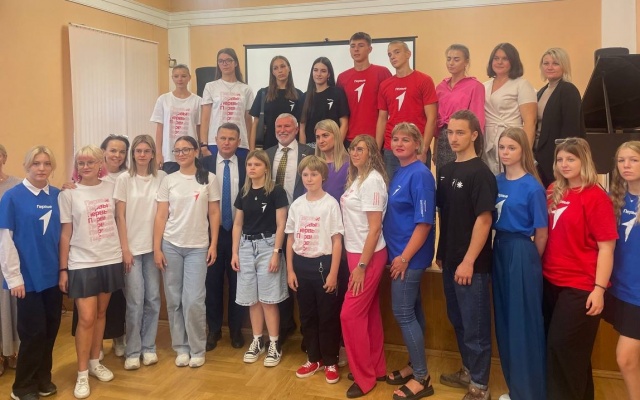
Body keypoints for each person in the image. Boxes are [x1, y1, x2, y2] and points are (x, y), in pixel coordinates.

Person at [542, 137, 617, 400]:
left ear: (583, 160)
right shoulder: (553, 190)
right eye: (560, 159)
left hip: (581, 287)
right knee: (573, 355)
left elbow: (607, 248)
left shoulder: (596, 197)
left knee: (561, 348)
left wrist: (599, 289)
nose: (564, 164)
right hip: (551, 281)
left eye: (570, 159)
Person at [436, 110, 496, 400]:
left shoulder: (481, 173)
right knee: (458, 320)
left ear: (474, 135)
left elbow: (484, 220)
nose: (454, 138)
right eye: (450, 132)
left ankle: (480, 386)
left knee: (475, 327)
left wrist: (469, 261)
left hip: (472, 265)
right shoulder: (446, 170)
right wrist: (441, 253)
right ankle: (468, 371)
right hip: (449, 261)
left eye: (460, 132)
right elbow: (445, 215)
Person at [59, 145, 124, 399]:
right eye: (81, 163)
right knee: (85, 318)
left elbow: (120, 220)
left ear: (100, 164)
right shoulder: (69, 193)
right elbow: (66, 234)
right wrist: (63, 269)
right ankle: (82, 373)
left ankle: (96, 362)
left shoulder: (112, 187)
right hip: (82, 262)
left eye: (90, 162)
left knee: (100, 314)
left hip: (110, 258)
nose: (85, 167)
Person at [0, 146, 62, 400]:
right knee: (33, 333)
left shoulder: (58, 195)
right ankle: (22, 387)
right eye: (36, 163)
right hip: (27, 279)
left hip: (53, 277)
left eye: (46, 163)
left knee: (50, 330)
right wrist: (14, 277)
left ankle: (43, 379)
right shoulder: (12, 197)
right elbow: (5, 240)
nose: (41, 168)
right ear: (27, 165)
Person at [153, 135, 220, 369]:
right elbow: (161, 215)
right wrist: (157, 248)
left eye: (186, 149)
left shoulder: (209, 179)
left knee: (193, 301)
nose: (181, 154)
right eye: (177, 150)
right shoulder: (168, 180)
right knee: (174, 300)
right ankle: (181, 347)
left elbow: (214, 213)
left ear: (195, 151)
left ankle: (197, 348)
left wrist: (213, 244)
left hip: (198, 248)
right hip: (171, 245)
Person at [492, 127, 547, 400]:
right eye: (502, 147)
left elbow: (542, 233)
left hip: (522, 251)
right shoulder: (496, 181)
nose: (505, 152)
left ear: (523, 150)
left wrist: (529, 262)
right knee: (504, 321)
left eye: (511, 147)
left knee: (522, 323)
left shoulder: (532, 187)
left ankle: (530, 393)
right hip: (499, 248)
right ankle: (515, 390)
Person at [382, 123, 436, 400]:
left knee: (403, 313)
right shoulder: (400, 171)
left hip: (409, 258)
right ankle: (415, 366)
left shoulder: (421, 175)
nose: (399, 143)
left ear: (418, 144)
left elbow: (424, 223)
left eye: (406, 139)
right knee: (412, 310)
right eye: (395, 139)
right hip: (398, 254)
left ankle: (422, 378)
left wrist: (404, 258)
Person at [285, 155, 344, 384]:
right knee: (307, 315)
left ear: (323, 177)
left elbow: (337, 241)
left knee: (327, 316)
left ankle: (330, 360)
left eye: (314, 174)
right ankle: (313, 358)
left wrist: (333, 273)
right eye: (305, 174)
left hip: (324, 266)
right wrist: (290, 270)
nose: (309, 179)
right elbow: (290, 239)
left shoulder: (330, 204)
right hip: (301, 265)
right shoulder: (297, 204)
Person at [340, 134, 388, 399]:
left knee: (350, 315)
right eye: (352, 148)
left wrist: (361, 265)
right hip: (355, 252)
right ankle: (376, 368)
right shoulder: (358, 178)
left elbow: (375, 228)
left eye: (360, 149)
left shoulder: (372, 181)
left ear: (371, 152)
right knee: (368, 313)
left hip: (367, 256)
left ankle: (364, 378)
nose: (355, 152)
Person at [231, 150, 289, 367]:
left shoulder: (276, 191)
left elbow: (281, 224)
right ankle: (257, 340)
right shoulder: (244, 191)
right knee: (252, 299)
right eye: (249, 165)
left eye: (257, 164)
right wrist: (235, 252)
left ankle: (274, 342)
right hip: (246, 246)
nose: (252, 168)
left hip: (268, 246)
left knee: (268, 299)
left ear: (266, 167)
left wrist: (276, 252)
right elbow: (238, 224)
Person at [114, 134, 166, 370]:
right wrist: (125, 249)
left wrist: (158, 248)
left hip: (153, 249)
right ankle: (133, 350)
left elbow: (162, 214)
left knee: (153, 299)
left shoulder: (161, 178)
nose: (142, 155)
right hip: (132, 250)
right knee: (135, 301)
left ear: (153, 154)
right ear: (133, 154)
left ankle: (149, 347)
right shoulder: (124, 179)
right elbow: (120, 216)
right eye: (138, 151)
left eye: (147, 151)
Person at [266, 113, 314, 342]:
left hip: (302, 223)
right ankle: (285, 326)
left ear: (296, 129)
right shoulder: (267, 154)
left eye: (287, 126)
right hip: (274, 225)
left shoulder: (309, 152)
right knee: (278, 276)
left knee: (302, 277)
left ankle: (307, 331)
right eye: (279, 126)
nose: (282, 130)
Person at [201, 123, 247, 351]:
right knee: (212, 283)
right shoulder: (203, 165)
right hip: (212, 233)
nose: (227, 142)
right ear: (216, 140)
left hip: (240, 233)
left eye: (231, 138)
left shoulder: (248, 164)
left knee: (238, 283)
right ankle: (214, 329)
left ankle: (236, 330)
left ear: (239, 141)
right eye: (223, 138)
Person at [314, 119, 350, 367]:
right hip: (317, 238)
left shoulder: (348, 166)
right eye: (318, 137)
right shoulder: (313, 165)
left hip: (343, 239)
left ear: (336, 136)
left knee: (341, 295)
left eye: (325, 135)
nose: (321, 140)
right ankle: (323, 344)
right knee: (323, 298)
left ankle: (344, 344)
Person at [606, 141, 640, 400]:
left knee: (625, 358)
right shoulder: (613, 198)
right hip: (617, 289)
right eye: (621, 160)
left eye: (634, 160)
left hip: (638, 295)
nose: (626, 165)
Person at [377, 41, 437, 180]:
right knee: (392, 188)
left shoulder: (424, 80)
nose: (392, 57)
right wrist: (377, 150)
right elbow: (382, 119)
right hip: (391, 149)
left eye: (397, 52)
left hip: (416, 147)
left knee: (417, 186)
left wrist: (423, 149)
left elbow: (432, 118)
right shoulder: (385, 85)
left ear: (408, 54)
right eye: (389, 55)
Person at [483, 43, 537, 175]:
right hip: (488, 139)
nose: (499, 62)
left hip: (512, 138)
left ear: (513, 61)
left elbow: (530, 122)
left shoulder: (522, 85)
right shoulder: (484, 86)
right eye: (496, 58)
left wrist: (525, 152)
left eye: (505, 58)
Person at [534, 48, 585, 187]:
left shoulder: (568, 90)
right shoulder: (541, 91)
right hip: (539, 156)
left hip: (556, 156)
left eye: (555, 63)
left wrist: (563, 159)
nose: (550, 67)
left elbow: (571, 129)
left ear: (564, 66)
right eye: (546, 63)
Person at [435, 44, 485, 176]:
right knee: (443, 177)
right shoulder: (440, 87)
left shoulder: (475, 86)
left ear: (466, 62)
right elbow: (437, 121)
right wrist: (435, 147)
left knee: (463, 176)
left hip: (464, 136)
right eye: (448, 59)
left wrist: (476, 147)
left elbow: (478, 119)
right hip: (444, 138)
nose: (451, 63)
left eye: (456, 59)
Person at [336, 32, 392, 148]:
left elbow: (390, 108)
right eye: (353, 46)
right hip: (350, 140)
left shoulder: (382, 73)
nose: (356, 49)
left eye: (361, 45)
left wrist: (378, 144)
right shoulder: (342, 77)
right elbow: (340, 113)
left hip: (376, 139)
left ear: (370, 49)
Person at [200, 48, 254, 159]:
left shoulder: (246, 89)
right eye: (221, 61)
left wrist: (250, 147)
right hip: (215, 142)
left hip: (240, 143)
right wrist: (203, 145)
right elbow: (205, 118)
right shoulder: (210, 87)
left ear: (236, 63)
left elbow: (248, 121)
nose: (224, 64)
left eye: (228, 60)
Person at [150, 64, 202, 174]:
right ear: (172, 78)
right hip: (169, 154)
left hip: (190, 152)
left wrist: (200, 149)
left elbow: (199, 128)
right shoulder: (163, 99)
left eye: (183, 76)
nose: (180, 79)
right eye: (176, 76)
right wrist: (158, 153)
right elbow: (160, 128)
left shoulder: (197, 101)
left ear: (189, 77)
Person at [249, 56, 304, 150]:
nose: (280, 70)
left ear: (289, 68)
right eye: (276, 68)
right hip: (267, 148)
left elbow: (302, 126)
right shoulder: (263, 93)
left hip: (293, 148)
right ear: (272, 72)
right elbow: (255, 124)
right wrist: (251, 151)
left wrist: (303, 151)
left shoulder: (299, 95)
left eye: (283, 66)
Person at [0, 144, 20, 375]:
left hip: (9, 253)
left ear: (4, 157)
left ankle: (11, 350)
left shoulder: (16, 186)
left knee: (10, 305)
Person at [299, 57, 349, 147]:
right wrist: (303, 151)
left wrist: (336, 147)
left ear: (329, 74)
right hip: (310, 147)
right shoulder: (304, 97)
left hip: (332, 145)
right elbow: (302, 128)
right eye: (315, 70)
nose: (318, 74)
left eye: (323, 71)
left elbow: (344, 123)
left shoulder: (337, 93)